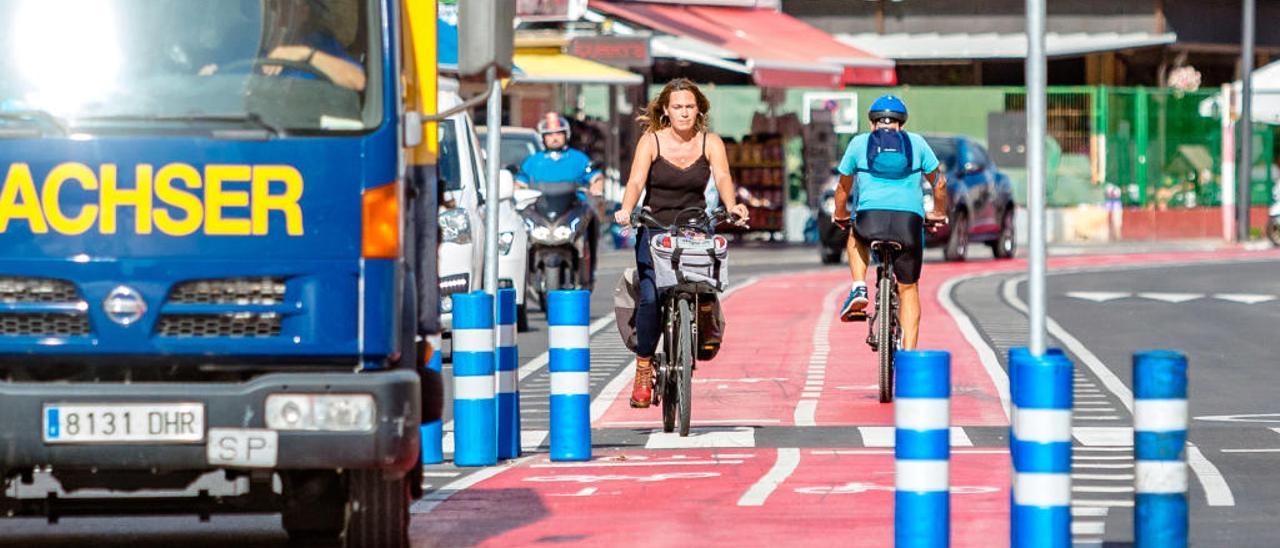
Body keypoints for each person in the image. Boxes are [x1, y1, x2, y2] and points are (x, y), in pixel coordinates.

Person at [613, 78, 750, 408]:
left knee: (703, 283)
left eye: (690, 106)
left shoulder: (710, 142)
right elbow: (635, 181)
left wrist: (732, 207)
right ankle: (644, 367)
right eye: (678, 107)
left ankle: (704, 326)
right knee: (650, 296)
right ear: (666, 111)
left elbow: (722, 178)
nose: (685, 113)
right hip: (654, 227)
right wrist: (626, 209)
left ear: (699, 109)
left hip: (694, 228)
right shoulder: (651, 142)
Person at [831, 95, 948, 351]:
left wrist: (840, 214)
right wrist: (938, 212)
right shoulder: (916, 143)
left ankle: (859, 287)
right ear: (902, 125)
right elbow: (939, 184)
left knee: (855, 232)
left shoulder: (859, 143)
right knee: (908, 289)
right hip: (908, 223)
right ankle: (909, 356)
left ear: (872, 123)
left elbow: (843, 187)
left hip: (870, 218)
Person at [199, 0, 366, 92]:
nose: (278, 10)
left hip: (303, 131)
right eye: (272, 4)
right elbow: (206, 78)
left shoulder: (320, 43)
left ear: (304, 11)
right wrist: (207, 77)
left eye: (286, 4)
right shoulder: (240, 38)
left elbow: (357, 81)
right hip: (243, 128)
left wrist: (306, 55)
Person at [517, 112, 604, 196]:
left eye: (559, 134)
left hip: (575, 207)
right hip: (540, 207)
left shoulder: (579, 158)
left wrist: (597, 186)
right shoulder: (533, 161)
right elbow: (520, 183)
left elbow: (596, 177)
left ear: (567, 135)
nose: (554, 138)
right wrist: (519, 189)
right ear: (542, 137)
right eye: (549, 135)